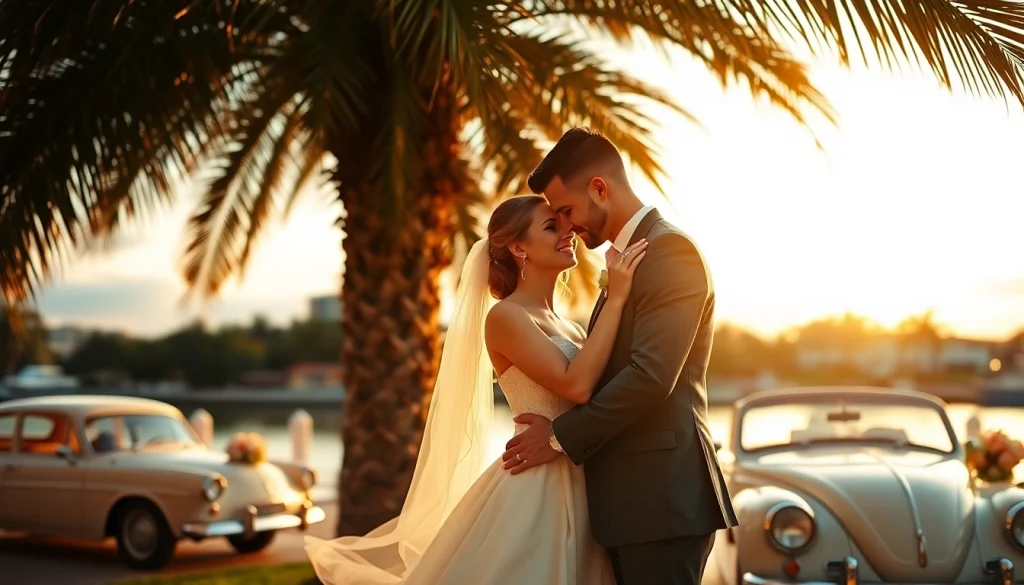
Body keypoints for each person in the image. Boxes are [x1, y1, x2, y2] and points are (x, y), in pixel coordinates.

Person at [306, 193, 647, 584]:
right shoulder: (506, 317)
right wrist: (618, 297)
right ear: (519, 247)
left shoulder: (570, 327)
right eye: (551, 226)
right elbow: (577, 385)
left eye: (564, 223)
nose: (568, 230)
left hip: (581, 477)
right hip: (536, 490)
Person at [502, 127, 739, 585]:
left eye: (567, 211)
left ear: (599, 189)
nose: (568, 226)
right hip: (633, 506)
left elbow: (651, 376)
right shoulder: (629, 260)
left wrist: (556, 437)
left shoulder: (670, 251)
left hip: (660, 504)